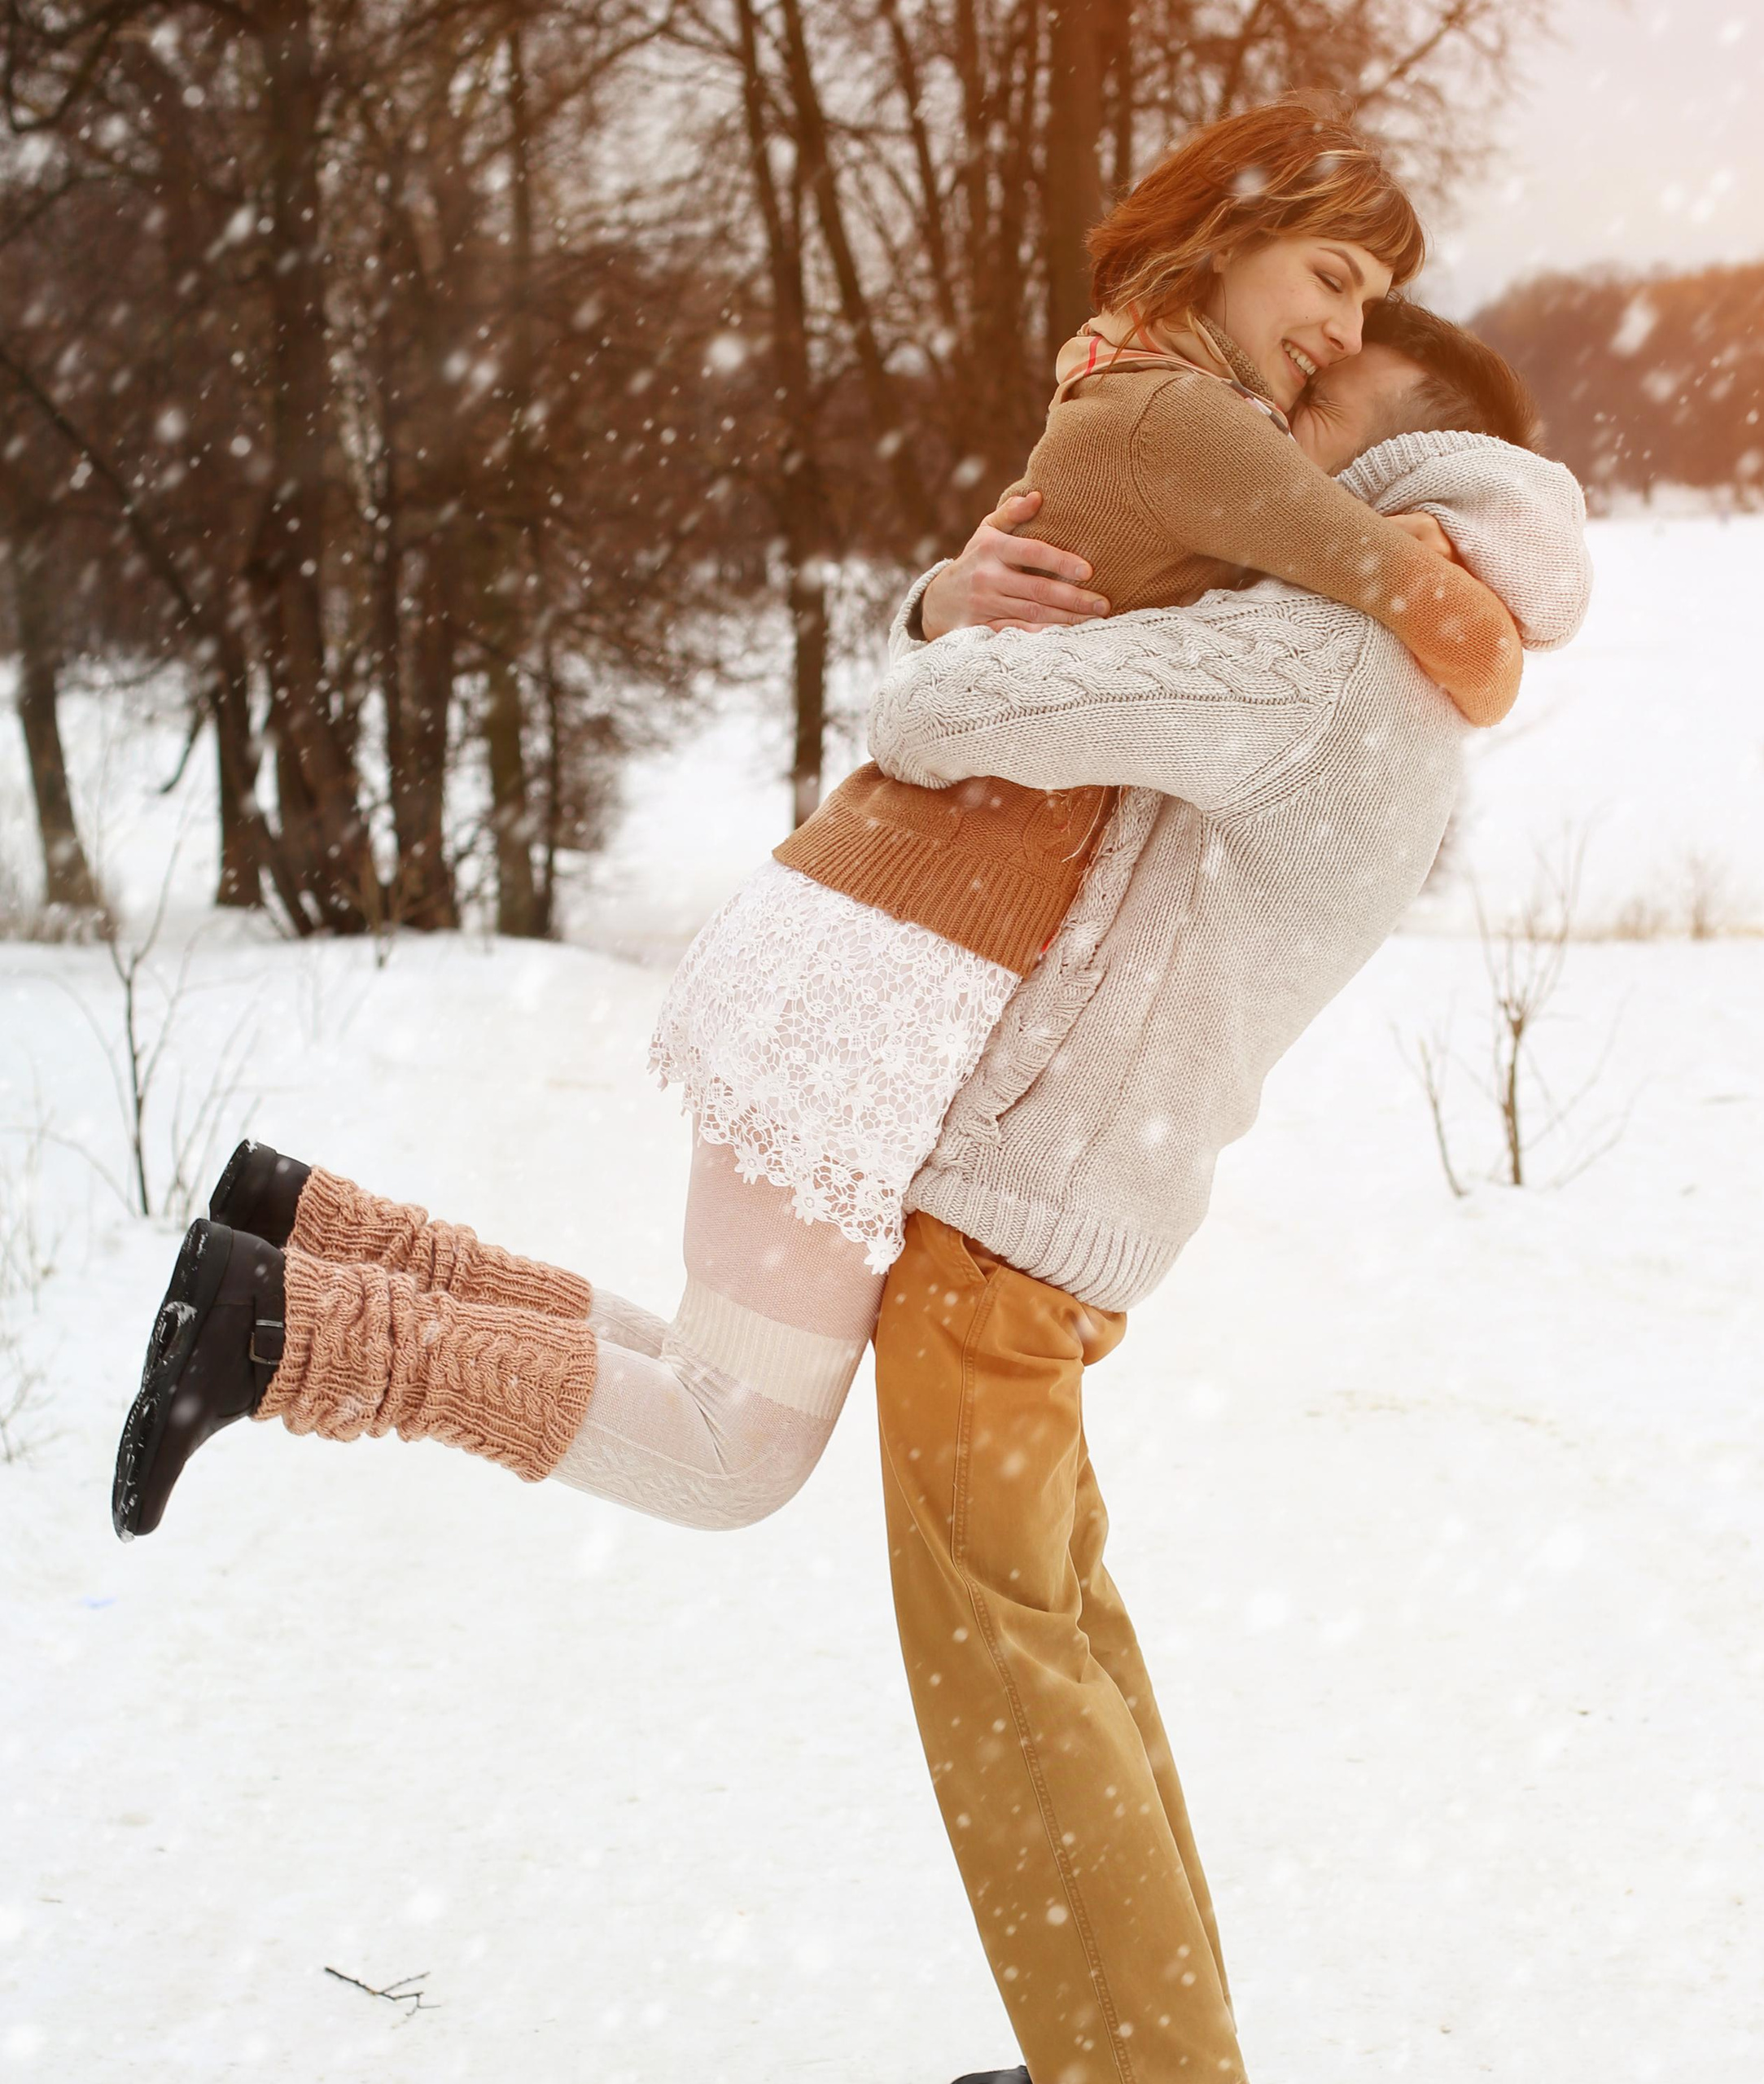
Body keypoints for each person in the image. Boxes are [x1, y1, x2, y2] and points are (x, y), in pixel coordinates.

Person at [110, 99, 1527, 1543]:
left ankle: (301, 1242)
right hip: (887, 967)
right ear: (1228, 241)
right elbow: (1444, 625)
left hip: (878, 936)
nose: (1349, 334)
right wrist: (1469, 573)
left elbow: (997, 627)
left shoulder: (1145, 396)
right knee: (734, 1453)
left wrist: (935, 600)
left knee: (705, 1372)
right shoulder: (1192, 423)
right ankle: (280, 1334)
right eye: (1332, 280)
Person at [857, 302, 1587, 2084]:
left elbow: (941, 713)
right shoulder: (1397, 654)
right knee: (1065, 1652)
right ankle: (1135, 2049)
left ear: (1403, 444)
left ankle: (1133, 2067)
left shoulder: (1315, 654)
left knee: (1012, 1686)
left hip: (1008, 1214)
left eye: (1314, 397)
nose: (1269, 408)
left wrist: (943, 608)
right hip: (1072, 1210)